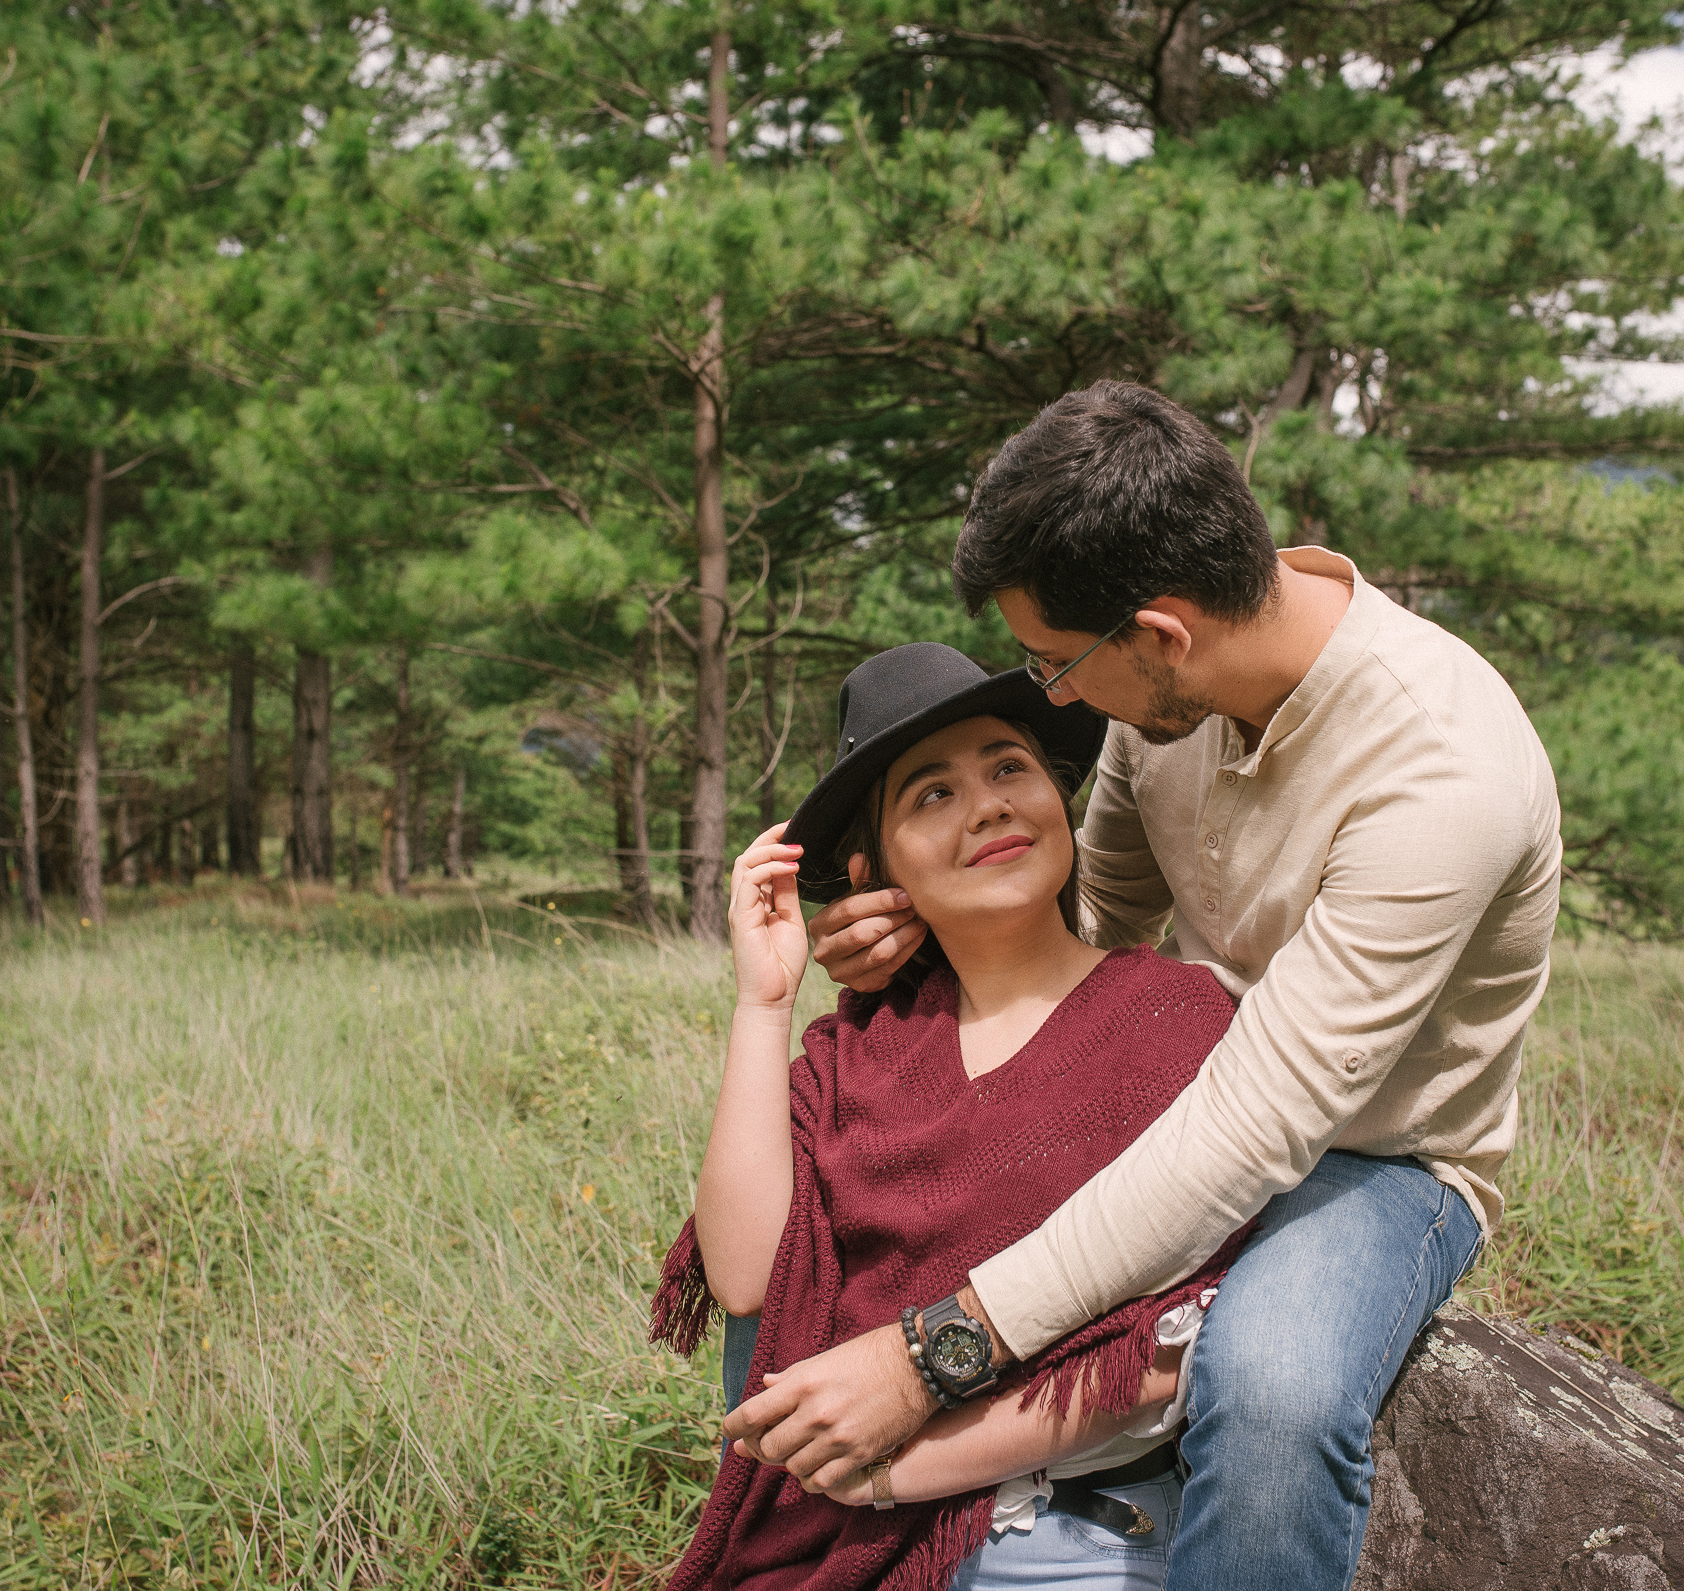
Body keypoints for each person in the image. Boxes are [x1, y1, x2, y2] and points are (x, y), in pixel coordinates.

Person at [722, 382, 1564, 1590]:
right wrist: (915, 944)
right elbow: (1094, 919)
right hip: (1174, 1078)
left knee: (1274, 1392)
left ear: (1159, 635)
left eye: (1056, 668)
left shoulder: (1443, 776)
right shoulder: (1164, 699)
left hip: (1372, 1153)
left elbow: (1260, 1127)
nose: (1054, 697)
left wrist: (928, 1360)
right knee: (828, 1243)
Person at [652, 641, 1252, 1591]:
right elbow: (744, 1277)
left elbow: (1173, 1355)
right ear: (876, 868)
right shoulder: (865, 1048)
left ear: (1060, 800)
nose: (988, 805)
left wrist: (890, 1471)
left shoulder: (1179, 1018)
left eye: (1010, 767)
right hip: (837, 1541)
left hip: (1079, 1540)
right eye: (932, 794)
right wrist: (763, 1003)